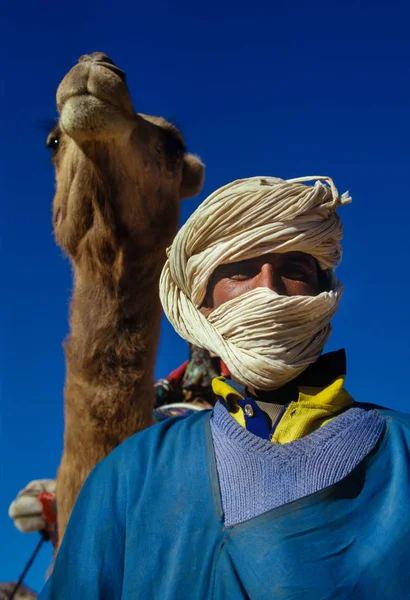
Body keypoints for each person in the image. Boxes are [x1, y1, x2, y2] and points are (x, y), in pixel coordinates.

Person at [39, 176, 410, 599]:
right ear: (203, 307)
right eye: (239, 271)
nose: (267, 291)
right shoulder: (130, 476)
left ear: (325, 291)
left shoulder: (403, 452)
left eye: (294, 270)